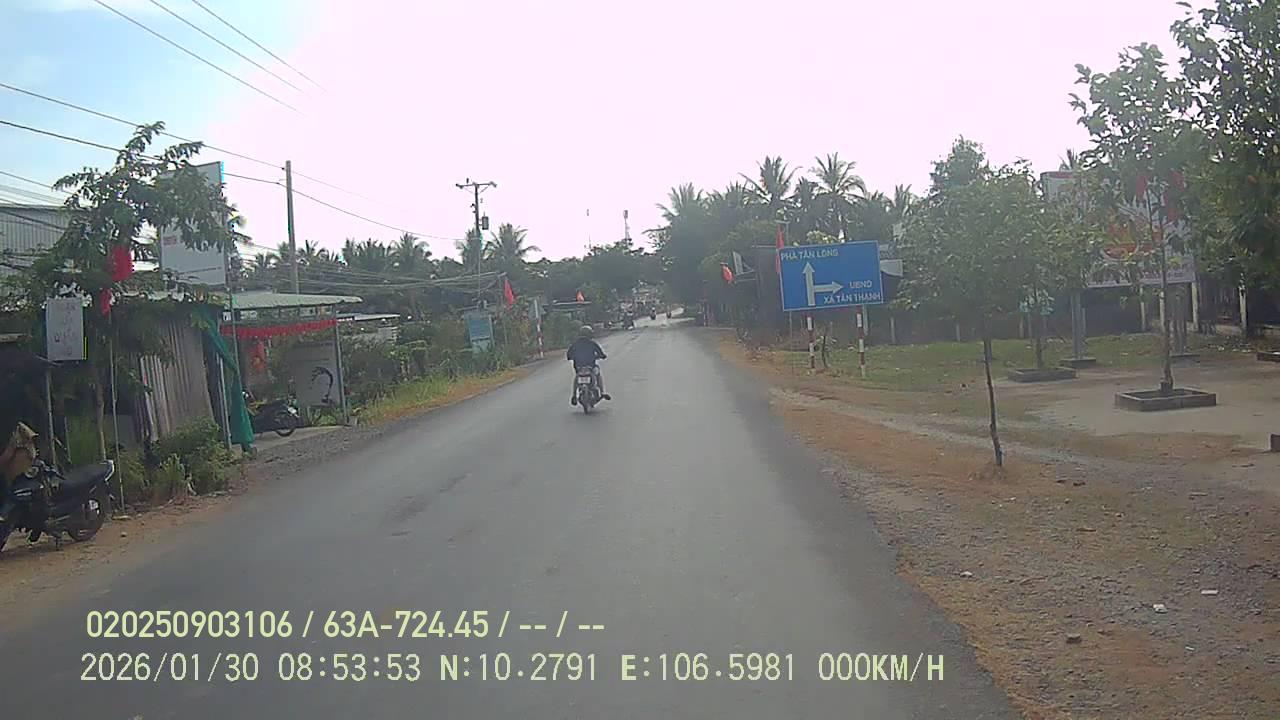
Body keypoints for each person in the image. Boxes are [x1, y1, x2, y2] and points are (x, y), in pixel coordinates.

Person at [567, 324, 610, 405]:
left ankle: (574, 395)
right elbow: (601, 353)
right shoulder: (592, 343)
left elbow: (569, 355)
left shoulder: (575, 344)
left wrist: (573, 357)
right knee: (598, 375)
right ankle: (602, 392)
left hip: (579, 367)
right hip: (591, 366)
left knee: (577, 377)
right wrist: (601, 356)